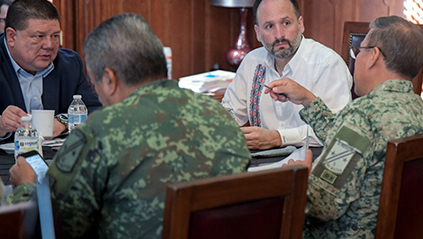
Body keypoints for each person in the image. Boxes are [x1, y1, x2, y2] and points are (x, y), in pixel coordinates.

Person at [8, 13, 251, 239]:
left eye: (95, 84)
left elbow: (49, 228)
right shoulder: (219, 116)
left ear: (110, 80)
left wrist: (27, 187)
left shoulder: (100, 131)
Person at [266, 15, 423, 238]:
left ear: (373, 56)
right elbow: (354, 144)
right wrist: (309, 100)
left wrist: (299, 176)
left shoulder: (362, 115)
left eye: (359, 52)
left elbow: (321, 204)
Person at [222, 0, 352, 152]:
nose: (279, 35)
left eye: (286, 23)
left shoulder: (327, 64)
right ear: (257, 33)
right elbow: (230, 114)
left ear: (300, 24)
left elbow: (338, 131)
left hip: (312, 161)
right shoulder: (252, 62)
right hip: (261, 161)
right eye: (269, 26)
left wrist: (278, 138)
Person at [0, 0, 102, 141]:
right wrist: (1, 125)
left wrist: (63, 121)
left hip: (56, 159)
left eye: (55, 36)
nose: (49, 45)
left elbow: (95, 110)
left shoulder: (69, 64)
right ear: (11, 37)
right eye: (39, 36)